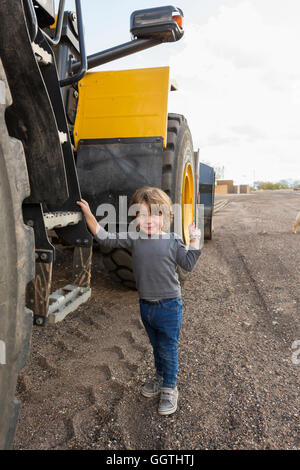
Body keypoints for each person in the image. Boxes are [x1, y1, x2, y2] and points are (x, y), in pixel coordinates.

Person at [77, 186, 201, 416]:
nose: (150, 220)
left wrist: (195, 239)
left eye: (156, 214)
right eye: (142, 215)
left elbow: (189, 264)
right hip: (146, 306)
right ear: (135, 217)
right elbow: (105, 238)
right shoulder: (135, 238)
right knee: (156, 347)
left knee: (168, 347)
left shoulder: (173, 241)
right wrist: (88, 214)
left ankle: (169, 388)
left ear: (165, 216)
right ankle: (160, 377)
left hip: (169, 306)